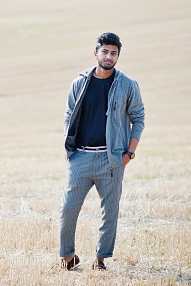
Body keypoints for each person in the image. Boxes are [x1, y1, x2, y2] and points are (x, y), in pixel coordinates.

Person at [59, 32, 145, 271]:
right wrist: (68, 148)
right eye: (105, 51)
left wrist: (128, 155)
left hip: (112, 159)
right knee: (67, 208)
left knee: (110, 211)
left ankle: (100, 259)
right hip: (81, 157)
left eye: (114, 53)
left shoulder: (128, 85)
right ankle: (67, 257)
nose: (109, 56)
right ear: (96, 53)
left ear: (118, 56)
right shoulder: (80, 83)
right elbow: (68, 114)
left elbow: (138, 119)